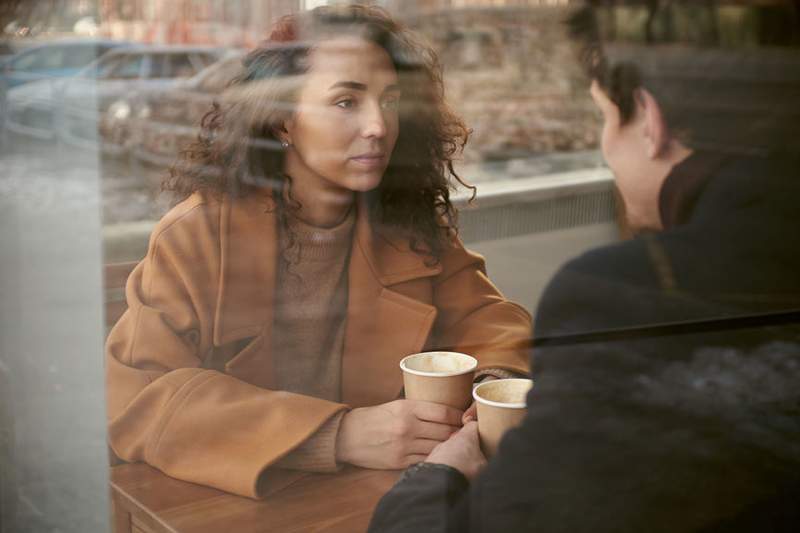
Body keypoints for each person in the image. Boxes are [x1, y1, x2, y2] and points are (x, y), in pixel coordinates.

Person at [369, 1, 800, 531]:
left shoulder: (630, 293)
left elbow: (486, 313)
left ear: (649, 119)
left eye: (603, 114)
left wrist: (433, 478)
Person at [104, 5, 531, 499]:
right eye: (346, 102)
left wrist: (491, 385)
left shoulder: (410, 225)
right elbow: (138, 398)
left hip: (385, 498)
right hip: (237, 505)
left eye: (390, 101)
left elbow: (491, 320)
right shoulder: (196, 236)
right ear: (283, 119)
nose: (378, 126)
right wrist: (340, 434)